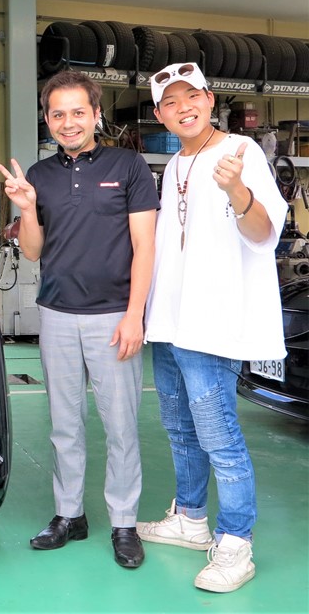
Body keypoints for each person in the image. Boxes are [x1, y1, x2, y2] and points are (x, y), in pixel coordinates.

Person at [0, 70, 158, 569]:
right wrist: (26, 209)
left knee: (121, 426)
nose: (68, 122)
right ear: (47, 119)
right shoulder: (40, 175)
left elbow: (145, 246)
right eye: (58, 114)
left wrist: (135, 315)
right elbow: (33, 251)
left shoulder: (129, 166)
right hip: (57, 313)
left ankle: (124, 523)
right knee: (64, 425)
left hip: (113, 316)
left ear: (96, 114)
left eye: (78, 112)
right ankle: (69, 515)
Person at [138, 62, 287, 593]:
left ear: (209, 99)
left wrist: (239, 192)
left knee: (219, 434)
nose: (184, 108)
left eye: (191, 97)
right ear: (160, 115)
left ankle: (236, 542)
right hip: (170, 320)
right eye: (170, 103)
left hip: (211, 323)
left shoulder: (241, 152)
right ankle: (190, 517)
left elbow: (264, 233)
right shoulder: (174, 163)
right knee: (179, 428)